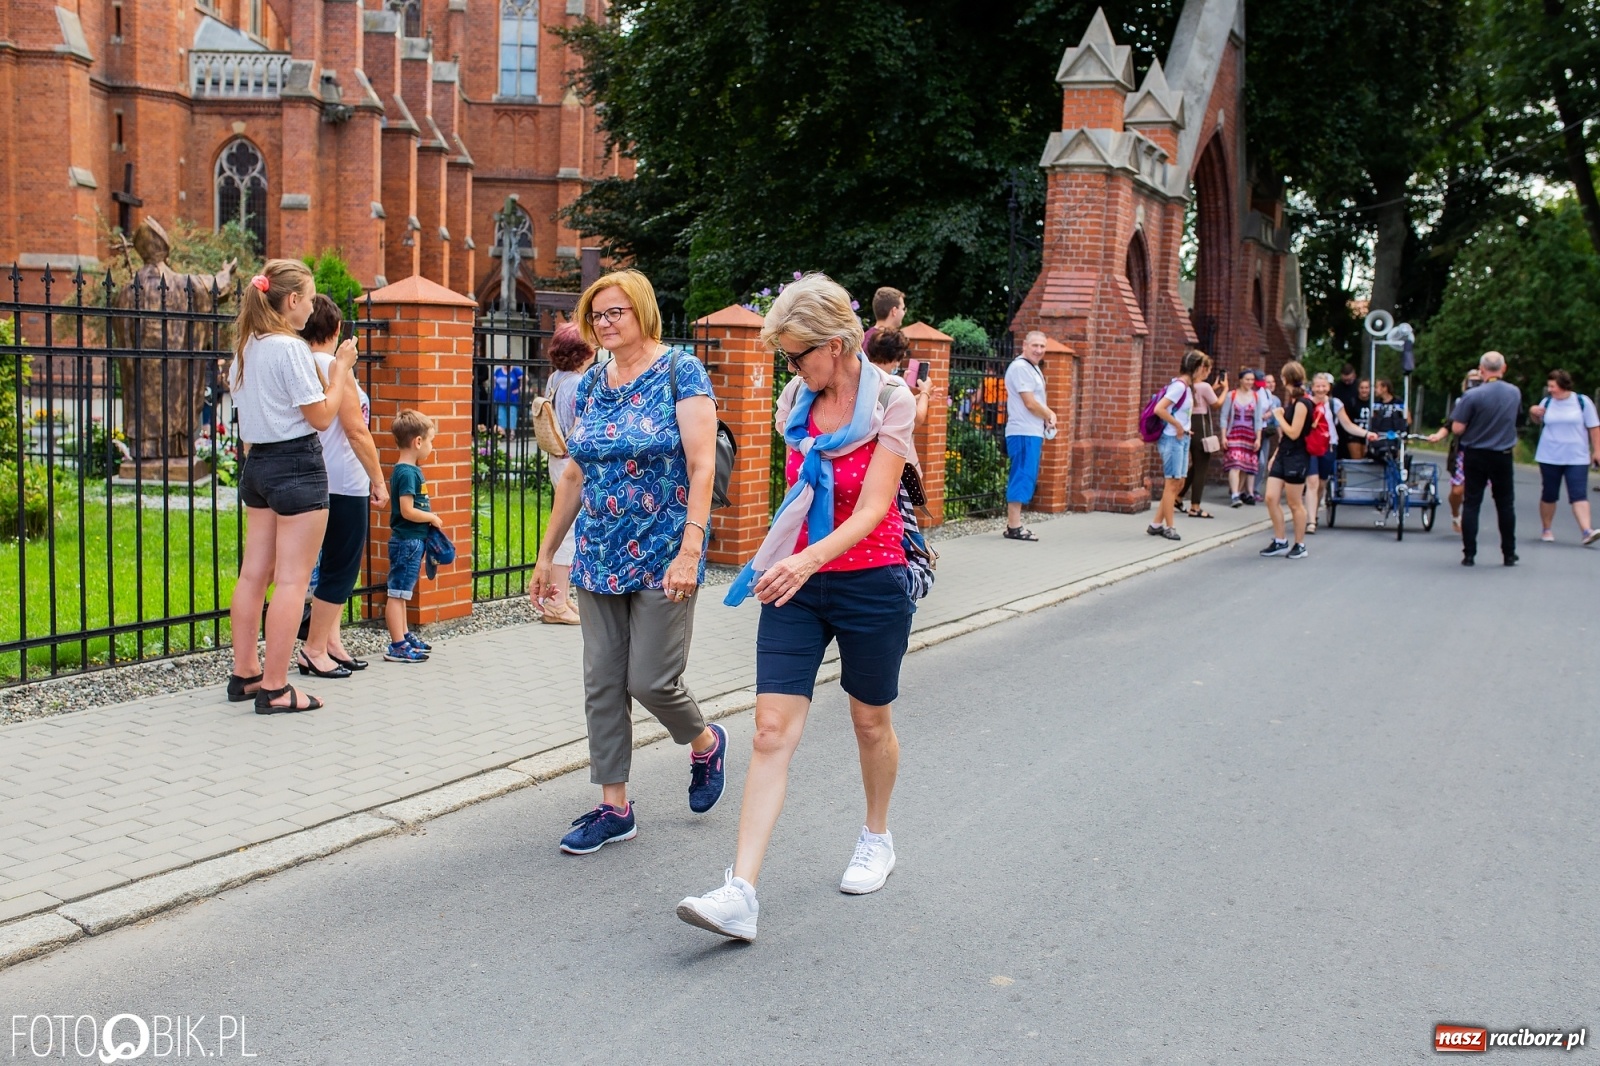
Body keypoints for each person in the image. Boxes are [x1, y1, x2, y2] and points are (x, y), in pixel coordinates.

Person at [676, 273, 919, 942]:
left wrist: (807, 558)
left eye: (796, 355)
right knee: (769, 731)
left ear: (835, 344)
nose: (790, 369)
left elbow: (873, 508)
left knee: (869, 723)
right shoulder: (796, 401)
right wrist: (789, 560)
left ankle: (876, 837)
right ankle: (740, 892)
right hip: (796, 585)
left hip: (871, 581)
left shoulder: (892, 401)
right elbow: (800, 494)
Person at [529, 269, 725, 854]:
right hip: (598, 553)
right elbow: (574, 472)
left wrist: (691, 548)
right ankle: (614, 806)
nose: (605, 323)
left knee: (651, 681)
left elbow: (702, 465)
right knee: (602, 682)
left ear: (642, 311)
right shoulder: (592, 380)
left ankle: (705, 742)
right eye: (597, 315)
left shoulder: (680, 371)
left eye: (616, 312)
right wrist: (546, 554)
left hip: (665, 552)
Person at [226, 260, 359, 713]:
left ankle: (246, 673)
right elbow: (321, 416)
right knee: (290, 580)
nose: (312, 306)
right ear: (293, 300)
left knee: (253, 574)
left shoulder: (246, 347)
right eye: (310, 297)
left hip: (258, 464)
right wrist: (340, 370)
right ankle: (276, 688)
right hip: (297, 464)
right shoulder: (290, 348)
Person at [297, 295, 388, 678]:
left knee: (322, 566)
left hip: (312, 477)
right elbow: (356, 430)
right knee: (341, 568)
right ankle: (314, 649)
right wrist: (378, 479)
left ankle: (331, 642)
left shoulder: (300, 364)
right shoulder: (337, 368)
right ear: (336, 329)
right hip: (345, 481)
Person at [534, 322, 597, 625]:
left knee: (566, 525)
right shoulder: (579, 383)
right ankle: (556, 604)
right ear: (583, 352)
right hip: (572, 463)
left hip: (556, 458)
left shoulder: (555, 378)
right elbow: (583, 426)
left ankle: (561, 596)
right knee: (569, 531)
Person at [1450, 351, 1522, 567]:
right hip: (1502, 453)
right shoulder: (1514, 392)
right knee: (1505, 504)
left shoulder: (1472, 395)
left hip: (1476, 452)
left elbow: (1458, 427)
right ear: (1504, 368)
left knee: (1472, 502)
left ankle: (1469, 553)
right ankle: (1509, 552)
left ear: (1481, 370)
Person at [384, 409, 444, 662]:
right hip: (407, 541)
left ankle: (404, 635)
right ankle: (397, 644)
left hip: (411, 541)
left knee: (403, 593)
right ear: (418, 442)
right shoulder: (408, 472)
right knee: (397, 593)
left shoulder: (408, 470)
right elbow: (407, 510)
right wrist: (431, 517)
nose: (431, 447)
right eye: (431, 441)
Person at [1529, 368, 1600, 545]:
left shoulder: (1582, 402)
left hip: (1577, 457)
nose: (1550, 390)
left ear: (1563, 385)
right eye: (1549, 386)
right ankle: (1546, 529)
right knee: (1549, 493)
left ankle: (1586, 531)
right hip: (1549, 455)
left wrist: (1597, 451)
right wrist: (1533, 412)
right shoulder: (1547, 402)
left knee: (1579, 494)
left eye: (1553, 386)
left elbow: (1594, 427)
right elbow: (1538, 421)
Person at [1305, 372, 1376, 534]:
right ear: (1312, 387)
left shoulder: (1334, 404)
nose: (1320, 389)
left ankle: (1314, 512)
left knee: (1321, 483)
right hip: (1309, 447)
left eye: (1324, 386)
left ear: (1329, 387)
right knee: (1312, 482)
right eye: (1317, 386)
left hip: (1328, 446)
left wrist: (1366, 434)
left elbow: (1348, 425)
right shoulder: (1306, 403)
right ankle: (1311, 521)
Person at [1002, 330, 1056, 541]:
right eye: (1035, 345)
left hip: (1030, 430)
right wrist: (1049, 414)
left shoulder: (1031, 368)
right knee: (1022, 475)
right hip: (1023, 431)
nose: (1039, 350)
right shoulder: (1020, 368)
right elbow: (1030, 403)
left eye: (1042, 346)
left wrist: (1045, 418)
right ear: (1024, 345)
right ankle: (1014, 526)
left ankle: (1015, 525)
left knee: (1026, 475)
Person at [1259, 361, 1314, 560]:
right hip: (1284, 454)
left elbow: (1294, 432)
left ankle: (1300, 544)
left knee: (1294, 503)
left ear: (1285, 378)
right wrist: (1275, 455)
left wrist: (1279, 416)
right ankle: (1280, 540)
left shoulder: (1303, 403)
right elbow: (1286, 437)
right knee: (1271, 497)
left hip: (1297, 457)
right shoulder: (1293, 400)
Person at [1424, 369, 1481, 532]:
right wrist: (1438, 436)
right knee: (1457, 491)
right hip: (1463, 451)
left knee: (1473, 492)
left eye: (1478, 381)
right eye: (1471, 381)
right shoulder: (1461, 402)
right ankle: (1455, 514)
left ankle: (1470, 525)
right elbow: (1449, 425)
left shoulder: (1488, 401)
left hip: (1483, 451)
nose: (1474, 385)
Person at [866, 326, 945, 429]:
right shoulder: (895, 382)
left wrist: (919, 398)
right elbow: (917, 420)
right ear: (896, 359)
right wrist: (925, 392)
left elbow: (892, 404)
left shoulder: (864, 375)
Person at [1178, 359, 1225, 518]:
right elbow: (1216, 404)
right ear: (1202, 368)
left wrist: (1213, 388)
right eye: (1209, 369)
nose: (1209, 372)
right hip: (1201, 425)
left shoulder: (1188, 384)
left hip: (1189, 423)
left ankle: (1178, 497)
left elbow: (1199, 396)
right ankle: (1195, 506)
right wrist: (1225, 389)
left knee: (1195, 465)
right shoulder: (1204, 386)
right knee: (1202, 467)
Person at [1220, 369, 1262, 506]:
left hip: (1249, 434)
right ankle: (1234, 495)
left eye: (1252, 379)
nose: (1250, 382)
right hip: (1234, 433)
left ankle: (1239, 491)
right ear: (1240, 380)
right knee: (1235, 464)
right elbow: (1224, 417)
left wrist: (1258, 438)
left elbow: (1258, 420)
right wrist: (1223, 436)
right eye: (1247, 379)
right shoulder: (1231, 395)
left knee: (1245, 465)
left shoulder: (1256, 397)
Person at [1254, 372, 1282, 502]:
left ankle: (1256, 489)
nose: (1271, 384)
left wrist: (1281, 435)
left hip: (1265, 434)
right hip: (1254, 432)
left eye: (1273, 382)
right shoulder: (1258, 395)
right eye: (1268, 382)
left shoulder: (1274, 399)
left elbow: (1277, 420)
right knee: (1256, 461)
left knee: (1262, 462)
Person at [860, 286, 905, 358]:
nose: (904, 313)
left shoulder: (864, 338)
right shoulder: (886, 343)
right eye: (903, 309)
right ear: (894, 311)